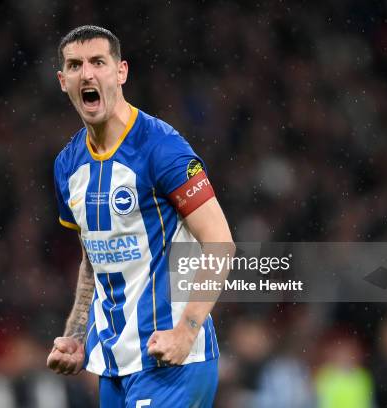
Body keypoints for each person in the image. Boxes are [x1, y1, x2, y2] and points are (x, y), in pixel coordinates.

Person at [47, 25, 233, 407]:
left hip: (172, 363)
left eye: (98, 62)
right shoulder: (67, 166)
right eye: (75, 65)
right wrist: (78, 335)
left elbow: (220, 243)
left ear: (121, 72)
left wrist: (186, 331)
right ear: (63, 81)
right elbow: (93, 256)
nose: (87, 73)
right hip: (114, 369)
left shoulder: (161, 147)